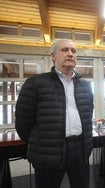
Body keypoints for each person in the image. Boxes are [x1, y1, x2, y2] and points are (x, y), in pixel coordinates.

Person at [15, 39, 94, 188]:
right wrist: (40, 142)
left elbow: (87, 115)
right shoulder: (35, 83)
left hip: (79, 150)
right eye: (65, 50)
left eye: (73, 51)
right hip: (48, 151)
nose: (70, 54)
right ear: (53, 56)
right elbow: (22, 123)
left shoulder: (85, 85)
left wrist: (86, 147)